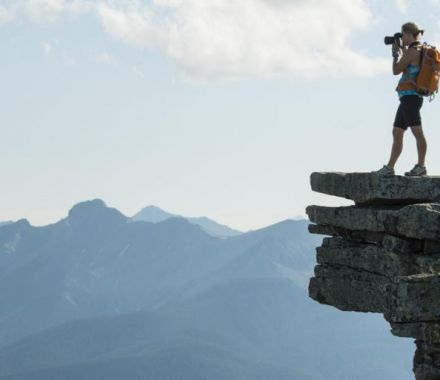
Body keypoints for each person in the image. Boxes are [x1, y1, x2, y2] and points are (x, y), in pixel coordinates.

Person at [375, 22, 427, 176]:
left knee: (417, 131)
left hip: (411, 97)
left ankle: (421, 166)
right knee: (397, 131)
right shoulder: (414, 50)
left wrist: (395, 55)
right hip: (407, 98)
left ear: (409, 34)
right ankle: (389, 167)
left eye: (402, 35)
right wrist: (402, 50)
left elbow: (396, 70)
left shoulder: (412, 52)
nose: (401, 38)